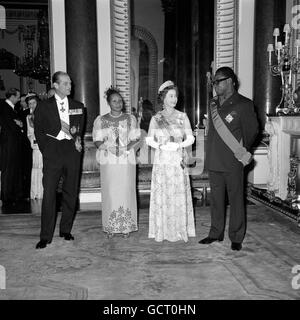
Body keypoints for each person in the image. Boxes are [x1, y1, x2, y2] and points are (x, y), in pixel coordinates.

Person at [198, 67, 259, 251]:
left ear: (231, 81)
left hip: (233, 160)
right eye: (214, 82)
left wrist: (241, 151)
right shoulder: (213, 103)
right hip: (215, 159)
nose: (215, 85)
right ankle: (215, 233)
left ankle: (236, 236)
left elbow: (252, 131)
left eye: (219, 81)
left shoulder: (244, 104)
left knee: (236, 199)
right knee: (216, 199)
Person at [34, 71, 85, 249]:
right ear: (55, 85)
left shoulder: (78, 105)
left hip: (71, 152)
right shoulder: (43, 106)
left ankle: (65, 229)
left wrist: (78, 142)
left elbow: (78, 130)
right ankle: (45, 236)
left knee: (71, 191)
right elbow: (38, 131)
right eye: (65, 83)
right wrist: (46, 149)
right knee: (49, 193)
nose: (69, 86)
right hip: (52, 151)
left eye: (70, 83)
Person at [145, 80, 196, 242]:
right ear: (163, 98)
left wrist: (179, 144)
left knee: (177, 192)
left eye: (176, 96)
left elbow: (191, 138)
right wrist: (161, 146)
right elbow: (148, 139)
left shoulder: (182, 117)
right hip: (162, 161)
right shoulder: (156, 118)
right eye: (171, 96)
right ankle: (162, 231)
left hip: (177, 160)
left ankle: (180, 230)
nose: (174, 99)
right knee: (164, 194)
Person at [92, 86, 140, 238]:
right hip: (109, 160)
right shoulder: (101, 120)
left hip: (126, 159)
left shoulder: (130, 119)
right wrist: (108, 148)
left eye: (120, 101)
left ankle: (126, 226)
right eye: (114, 101)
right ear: (108, 102)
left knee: (126, 190)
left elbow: (136, 139)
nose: (118, 103)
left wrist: (126, 148)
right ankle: (110, 226)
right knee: (111, 192)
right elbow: (97, 141)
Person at [0, 88, 24, 209]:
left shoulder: (11, 109)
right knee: (8, 170)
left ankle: (12, 195)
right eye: (18, 97)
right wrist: (19, 125)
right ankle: (6, 196)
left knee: (13, 169)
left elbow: (16, 123)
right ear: (12, 97)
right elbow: (10, 125)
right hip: (8, 144)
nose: (20, 99)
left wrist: (19, 124)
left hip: (12, 144)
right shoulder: (4, 107)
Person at [26, 94, 43, 199]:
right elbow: (29, 133)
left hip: (45, 145)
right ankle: (35, 193)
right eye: (29, 104)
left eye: (33, 103)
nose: (31, 105)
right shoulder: (28, 117)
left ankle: (43, 192)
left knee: (43, 168)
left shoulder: (44, 114)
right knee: (36, 168)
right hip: (35, 146)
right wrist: (33, 140)